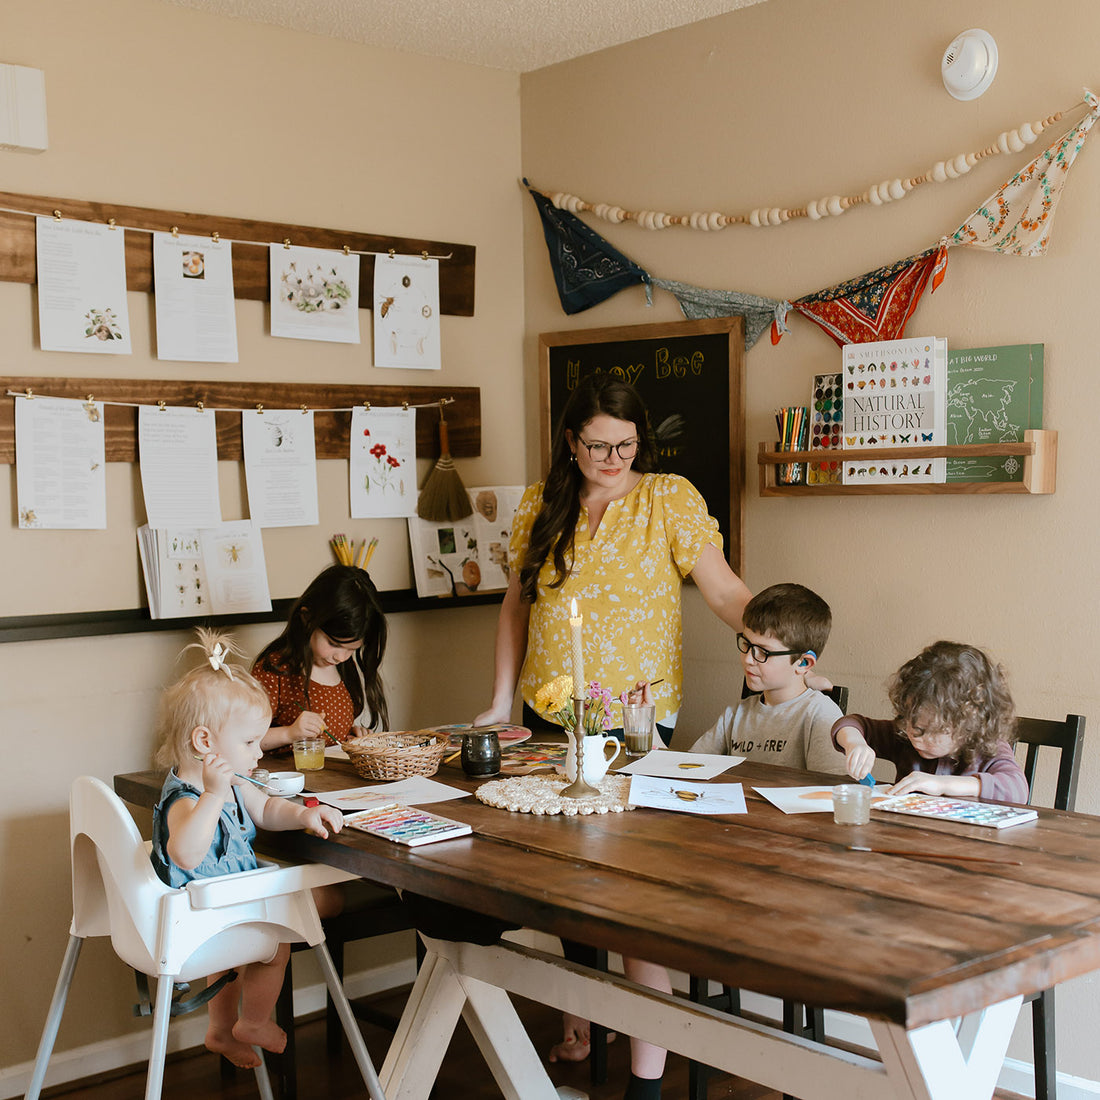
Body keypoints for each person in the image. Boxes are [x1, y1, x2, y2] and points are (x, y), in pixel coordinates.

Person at [475, 373, 753, 1098]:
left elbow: (723, 589)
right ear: (571, 442)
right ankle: (580, 1017)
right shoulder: (542, 504)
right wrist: (500, 699)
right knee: (560, 887)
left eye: (626, 445)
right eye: (598, 445)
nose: (613, 458)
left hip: (634, 722)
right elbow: (516, 605)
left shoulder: (669, 499)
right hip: (547, 715)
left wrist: (781, 644)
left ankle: (642, 1066)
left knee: (628, 894)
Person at [150, 628, 344, 1069]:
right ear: (205, 744)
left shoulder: (235, 782)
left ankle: (220, 1031)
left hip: (221, 911)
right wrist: (213, 797)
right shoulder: (186, 797)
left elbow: (268, 808)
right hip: (197, 921)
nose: (259, 753)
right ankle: (253, 1021)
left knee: (239, 953)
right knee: (273, 944)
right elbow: (185, 854)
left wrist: (302, 816)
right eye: (249, 742)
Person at [831, 640, 1027, 801]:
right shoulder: (905, 738)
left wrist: (941, 784)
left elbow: (1018, 790)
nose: (915, 738)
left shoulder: (987, 748)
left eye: (928, 731)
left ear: (967, 726)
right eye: (913, 724)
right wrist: (854, 743)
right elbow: (850, 723)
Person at [690, 583, 845, 772]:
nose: (748, 659)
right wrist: (646, 722)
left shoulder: (820, 714)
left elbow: (830, 791)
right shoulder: (735, 715)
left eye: (763, 652)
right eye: (746, 644)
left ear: (804, 663)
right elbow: (689, 767)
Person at [252, 564, 388, 751]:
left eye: (352, 649)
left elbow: (331, 734)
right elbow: (244, 739)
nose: (341, 656)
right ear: (307, 618)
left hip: (333, 776)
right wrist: (289, 733)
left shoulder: (344, 667)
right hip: (290, 777)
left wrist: (352, 735)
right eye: (334, 644)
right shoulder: (275, 669)